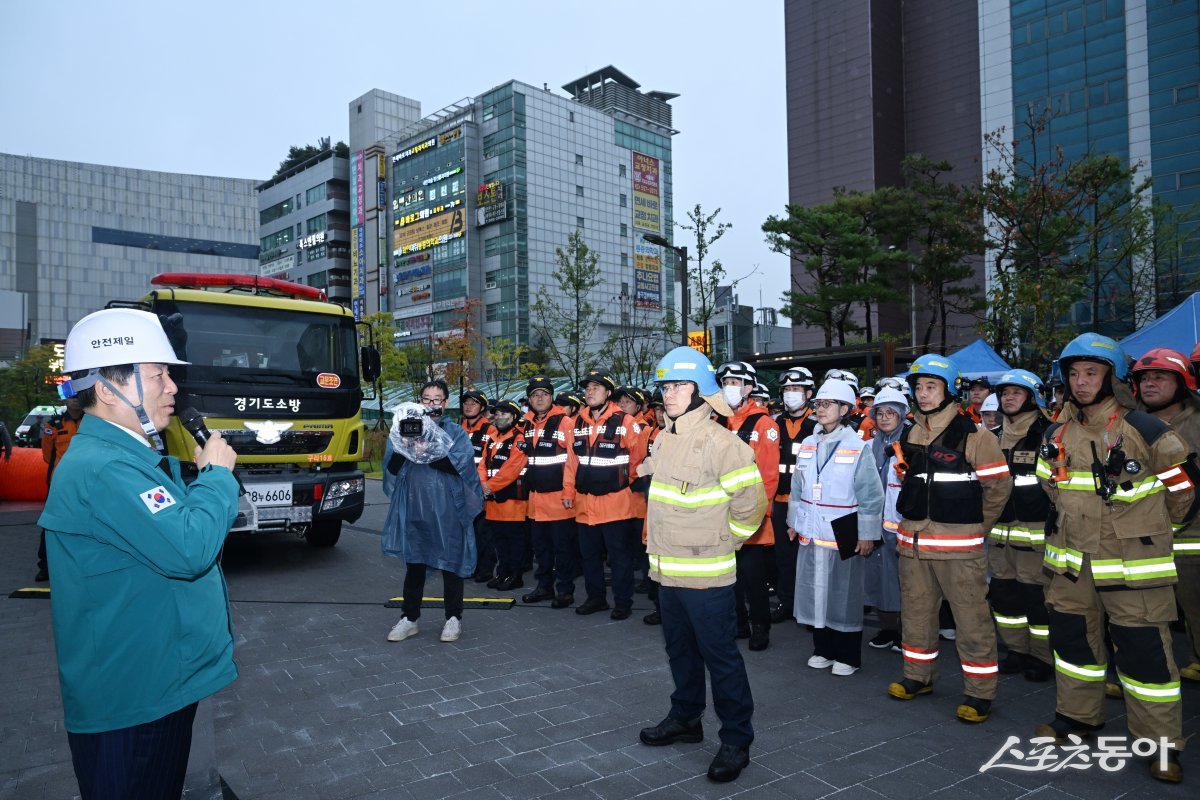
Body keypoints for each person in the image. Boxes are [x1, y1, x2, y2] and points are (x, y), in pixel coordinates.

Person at [38, 308, 240, 800]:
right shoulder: (103, 467)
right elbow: (189, 548)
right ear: (109, 389)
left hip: (154, 682)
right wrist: (216, 477)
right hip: (133, 700)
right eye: (158, 374)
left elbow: (166, 529)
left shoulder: (124, 457)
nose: (172, 387)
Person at [1036, 334, 1197, 783]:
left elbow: (1185, 494)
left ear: (1113, 378)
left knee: (1146, 659)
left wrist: (1150, 534)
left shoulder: (1146, 431)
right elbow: (1053, 488)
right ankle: (1078, 718)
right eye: (1074, 373)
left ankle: (1161, 746)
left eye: (1091, 372)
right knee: (1073, 648)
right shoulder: (1057, 433)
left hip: (1132, 569)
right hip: (1071, 567)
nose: (1081, 382)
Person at [636, 346, 766, 784]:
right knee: (680, 652)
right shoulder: (665, 437)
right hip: (666, 573)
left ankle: (736, 740)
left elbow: (752, 507)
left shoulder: (723, 443)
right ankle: (686, 719)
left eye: (675, 386)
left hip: (707, 577)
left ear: (697, 391)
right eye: (665, 386)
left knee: (721, 658)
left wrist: (723, 542)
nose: (667, 393)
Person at [887, 354, 1012, 724]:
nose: (923, 394)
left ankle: (980, 693)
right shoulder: (909, 431)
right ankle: (918, 676)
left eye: (931, 387)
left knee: (971, 621)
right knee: (916, 614)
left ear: (950, 391)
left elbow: (998, 488)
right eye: (918, 387)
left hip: (959, 550)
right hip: (913, 546)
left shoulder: (975, 435)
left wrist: (977, 527)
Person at [788, 379, 884, 676]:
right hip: (811, 531)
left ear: (844, 409)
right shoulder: (807, 444)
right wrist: (793, 522)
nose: (820, 408)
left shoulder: (858, 447)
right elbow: (796, 487)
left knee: (844, 595)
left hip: (842, 534)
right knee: (814, 593)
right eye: (818, 404)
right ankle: (823, 648)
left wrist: (868, 534)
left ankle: (847, 655)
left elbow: (871, 495)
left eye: (827, 404)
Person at [383, 382, 484, 645]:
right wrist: (404, 445)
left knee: (451, 563)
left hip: (447, 509)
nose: (432, 404)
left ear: (446, 402)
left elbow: (460, 468)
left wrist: (427, 449)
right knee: (414, 563)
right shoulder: (405, 429)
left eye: (437, 399)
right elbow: (392, 468)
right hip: (415, 507)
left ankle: (453, 618)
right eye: (427, 399)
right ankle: (409, 618)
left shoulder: (456, 433)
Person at [1133, 348, 1200, 684]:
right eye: (1144, 378)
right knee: (1141, 616)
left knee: (1195, 608)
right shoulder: (1127, 422)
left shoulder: (1198, 422)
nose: (1150, 383)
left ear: (1182, 382)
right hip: (1141, 539)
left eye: (1159, 376)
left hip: (1192, 538)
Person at [987, 370, 1054, 683]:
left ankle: (1042, 656)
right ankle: (1016, 650)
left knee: (1037, 600)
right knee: (1004, 598)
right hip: (1000, 538)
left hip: (1036, 537)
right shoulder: (991, 436)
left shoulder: (1049, 435)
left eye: (1016, 392)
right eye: (1004, 393)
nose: (1008, 397)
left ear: (1034, 396)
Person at [564, 369, 645, 619]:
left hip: (616, 503)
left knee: (619, 558)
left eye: (596, 388)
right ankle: (596, 598)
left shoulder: (626, 422)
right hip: (585, 504)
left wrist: (623, 484)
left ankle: (623, 603)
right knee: (589, 557)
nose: (590, 392)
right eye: (587, 388)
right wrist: (568, 491)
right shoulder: (577, 422)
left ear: (608, 393)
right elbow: (571, 461)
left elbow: (639, 459)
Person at [716, 361, 779, 651]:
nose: (728, 387)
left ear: (749, 387)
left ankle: (760, 627)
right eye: (725, 382)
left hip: (750, 515)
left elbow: (768, 476)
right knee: (729, 576)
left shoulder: (763, 424)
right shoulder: (717, 420)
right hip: (720, 512)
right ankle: (738, 623)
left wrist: (757, 514)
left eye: (735, 382)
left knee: (753, 578)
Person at [520, 377, 579, 608]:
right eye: (535, 395)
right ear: (530, 399)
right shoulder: (527, 423)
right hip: (536, 500)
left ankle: (565, 590)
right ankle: (544, 587)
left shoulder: (564, 422)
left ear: (552, 397)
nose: (540, 398)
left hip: (558, 500)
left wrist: (568, 493)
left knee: (562, 549)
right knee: (541, 549)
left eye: (544, 394)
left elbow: (573, 460)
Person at [864, 386, 910, 652]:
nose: (883, 418)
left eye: (890, 413)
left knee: (904, 582)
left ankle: (906, 632)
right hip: (876, 526)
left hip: (900, 525)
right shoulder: (870, 445)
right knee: (878, 579)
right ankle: (887, 628)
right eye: (879, 413)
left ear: (902, 415)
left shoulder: (911, 443)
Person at [772, 367, 817, 624]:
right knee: (783, 558)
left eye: (796, 389)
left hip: (807, 504)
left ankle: (809, 609)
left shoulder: (818, 425)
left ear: (808, 393)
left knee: (809, 558)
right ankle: (786, 602)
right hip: (779, 502)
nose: (791, 394)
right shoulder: (774, 423)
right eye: (787, 390)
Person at [478, 400, 529, 590]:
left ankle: (515, 576)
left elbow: (513, 468)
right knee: (499, 541)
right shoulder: (492, 437)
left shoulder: (520, 438)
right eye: (497, 414)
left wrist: (489, 486)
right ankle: (503, 573)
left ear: (514, 417)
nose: (499, 417)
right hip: (493, 501)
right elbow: (483, 463)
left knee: (514, 541)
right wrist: (483, 484)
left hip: (512, 501)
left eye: (504, 414)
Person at [33, 396, 85, 581]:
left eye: (77, 397)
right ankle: (45, 567)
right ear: (65, 402)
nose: (75, 401)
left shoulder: (93, 422)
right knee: (51, 524)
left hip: (88, 481)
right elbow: (47, 455)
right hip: (61, 483)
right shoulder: (54, 424)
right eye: (71, 398)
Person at [460, 390, 496, 583]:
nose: (468, 406)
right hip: (458, 488)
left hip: (479, 489)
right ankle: (466, 565)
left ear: (482, 407)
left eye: (473, 403)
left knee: (483, 531)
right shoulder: (458, 429)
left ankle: (485, 569)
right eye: (466, 402)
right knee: (462, 530)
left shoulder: (490, 430)